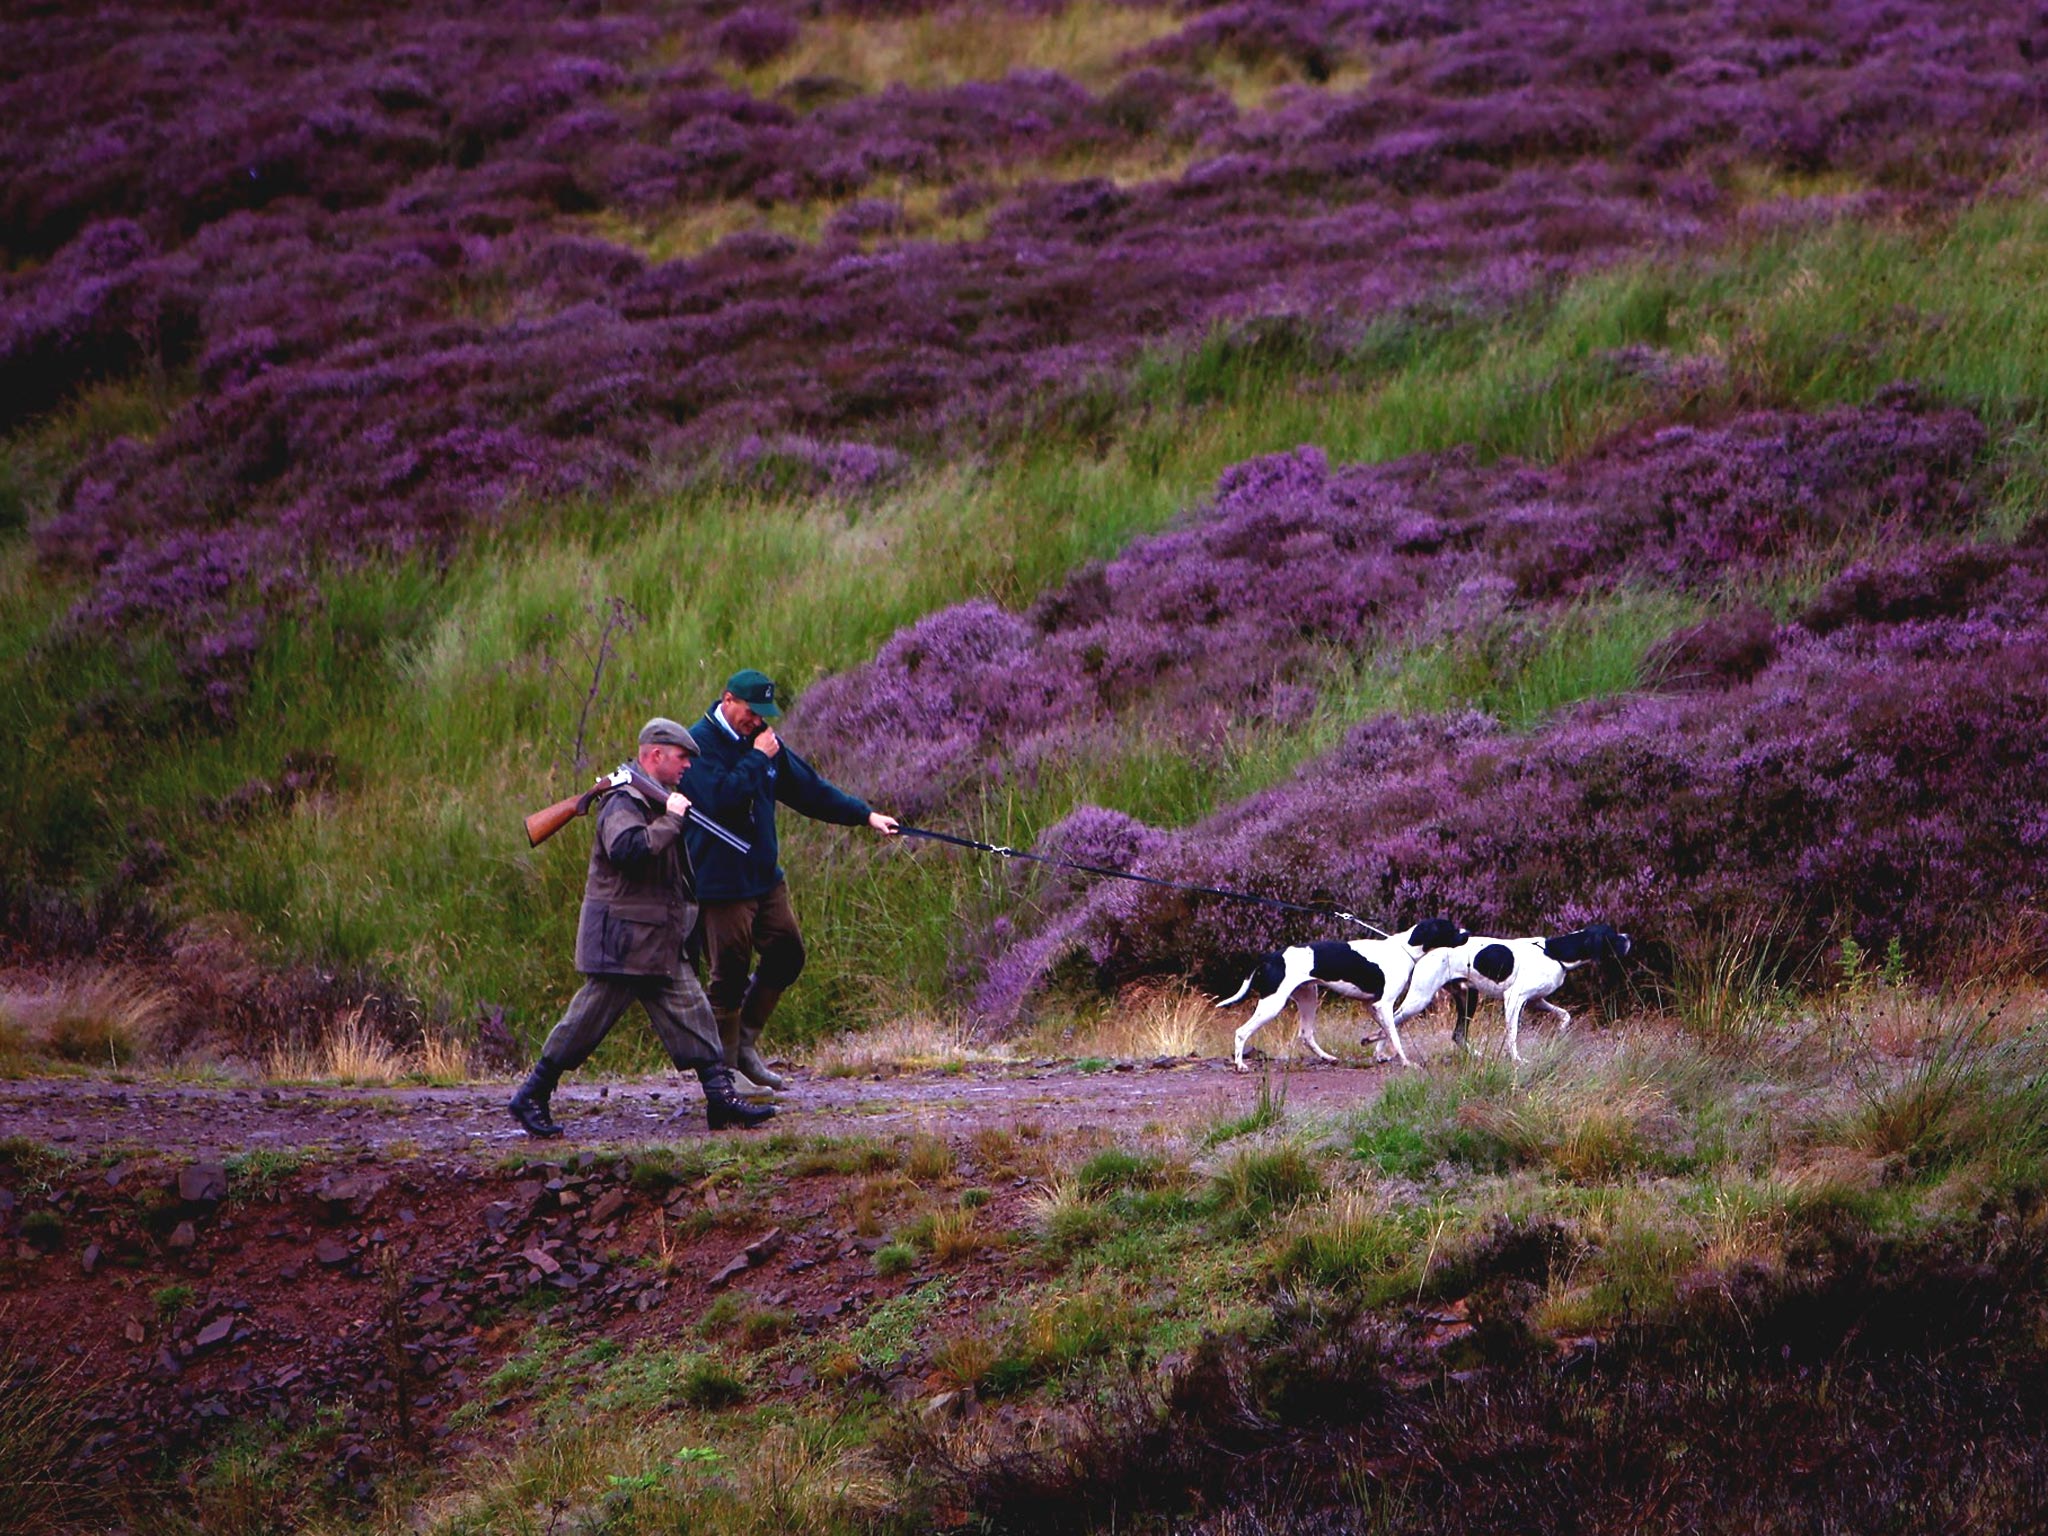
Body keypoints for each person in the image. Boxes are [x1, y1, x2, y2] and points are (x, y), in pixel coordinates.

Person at [509, 718, 776, 1138]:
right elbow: (627, 850)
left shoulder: (653, 797)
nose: (688, 765)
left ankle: (721, 1100)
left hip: (656, 941)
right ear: (655, 755)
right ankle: (532, 1094)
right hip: (624, 943)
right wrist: (671, 821)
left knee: (695, 1014)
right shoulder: (622, 801)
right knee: (584, 1023)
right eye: (682, 757)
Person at [682, 669, 899, 1090]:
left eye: (763, 714)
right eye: (750, 711)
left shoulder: (764, 742)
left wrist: (864, 815)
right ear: (727, 700)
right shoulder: (699, 746)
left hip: (764, 878)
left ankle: (744, 1048)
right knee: (728, 973)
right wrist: (757, 757)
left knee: (787, 953)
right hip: (720, 882)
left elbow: (808, 790)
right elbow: (722, 800)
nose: (757, 721)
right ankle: (724, 1076)